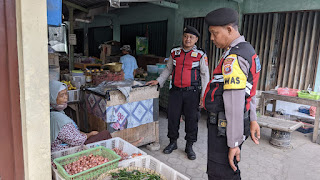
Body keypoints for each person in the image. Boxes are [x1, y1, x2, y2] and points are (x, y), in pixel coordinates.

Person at [203, 8, 261, 179]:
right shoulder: (247, 50)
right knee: (227, 169)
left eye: (215, 33)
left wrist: (234, 142)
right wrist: (253, 118)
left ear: (229, 29)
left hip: (225, 127)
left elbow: (235, 103)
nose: (212, 38)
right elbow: (250, 92)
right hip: (230, 126)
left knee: (221, 172)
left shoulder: (234, 58)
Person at [147, 25, 210, 160]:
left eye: (191, 37)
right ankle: (173, 142)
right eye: (186, 36)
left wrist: (204, 95)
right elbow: (168, 70)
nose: (187, 39)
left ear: (196, 40)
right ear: (183, 37)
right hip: (175, 92)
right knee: (173, 118)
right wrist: (158, 81)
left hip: (192, 93)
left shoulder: (200, 55)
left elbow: (205, 76)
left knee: (192, 120)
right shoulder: (175, 52)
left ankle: (189, 146)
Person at [49, 80, 112, 152]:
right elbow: (76, 141)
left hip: (72, 144)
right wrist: (89, 135)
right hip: (70, 151)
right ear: (52, 97)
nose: (65, 97)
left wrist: (86, 134)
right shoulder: (57, 118)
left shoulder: (54, 112)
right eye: (61, 95)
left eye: (66, 94)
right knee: (105, 134)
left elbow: (72, 133)